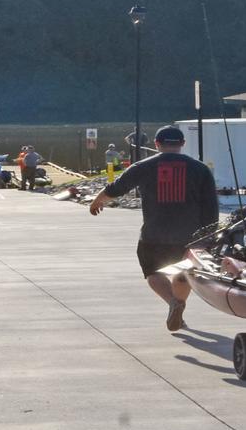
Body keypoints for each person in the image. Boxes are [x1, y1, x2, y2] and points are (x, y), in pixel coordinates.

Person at [89, 126, 219, 332]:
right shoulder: (200, 169)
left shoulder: (143, 166)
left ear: (157, 144)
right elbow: (211, 206)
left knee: (153, 272)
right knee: (183, 273)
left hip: (154, 234)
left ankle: (173, 303)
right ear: (182, 144)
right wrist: (210, 237)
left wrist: (97, 201)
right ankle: (179, 304)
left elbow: (116, 188)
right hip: (190, 236)